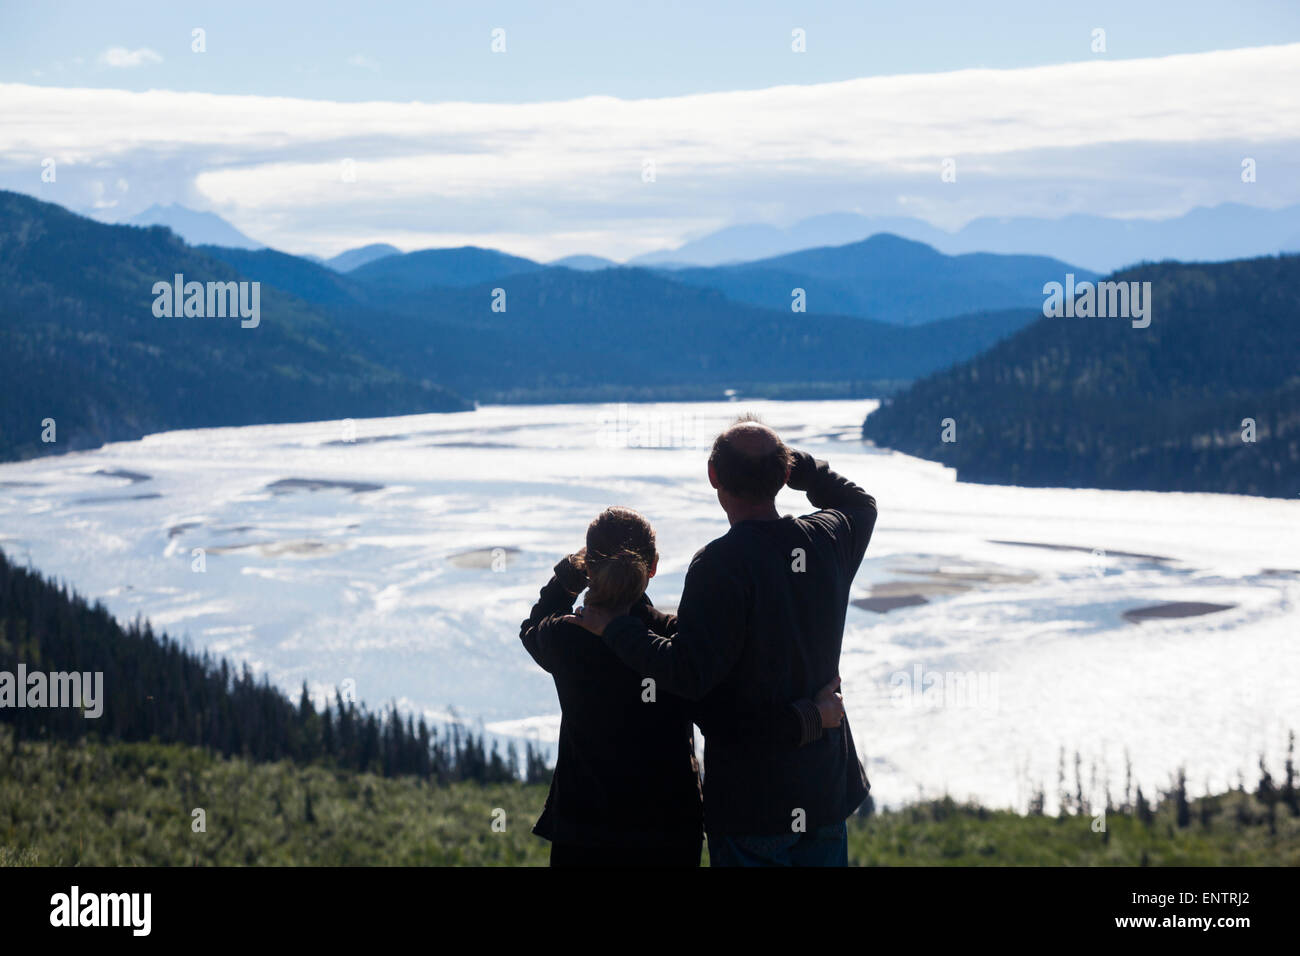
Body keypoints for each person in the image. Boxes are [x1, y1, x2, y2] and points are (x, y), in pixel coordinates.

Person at [572, 417, 876, 866]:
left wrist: (616, 627)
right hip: (825, 792)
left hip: (753, 806)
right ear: (783, 473)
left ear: (714, 477)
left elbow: (688, 674)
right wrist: (802, 468)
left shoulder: (719, 565)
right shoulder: (828, 540)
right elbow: (860, 503)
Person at [520, 505, 844, 867]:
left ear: (590, 567)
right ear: (653, 568)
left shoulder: (566, 636)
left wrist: (570, 575)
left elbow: (531, 627)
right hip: (668, 830)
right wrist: (812, 716)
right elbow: (731, 721)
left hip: (583, 829)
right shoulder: (677, 643)